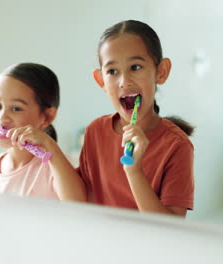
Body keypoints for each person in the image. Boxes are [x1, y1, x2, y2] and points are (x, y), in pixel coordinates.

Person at [78, 20, 195, 216]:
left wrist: (134, 171)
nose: (124, 81)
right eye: (112, 71)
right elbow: (79, 199)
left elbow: (170, 229)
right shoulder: (94, 131)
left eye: (135, 67)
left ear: (161, 71)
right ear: (101, 81)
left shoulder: (177, 145)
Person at [0, 62, 85, 201]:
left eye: (16, 108)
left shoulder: (57, 166)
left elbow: (78, 205)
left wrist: (48, 145)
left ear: (47, 117)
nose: (2, 117)